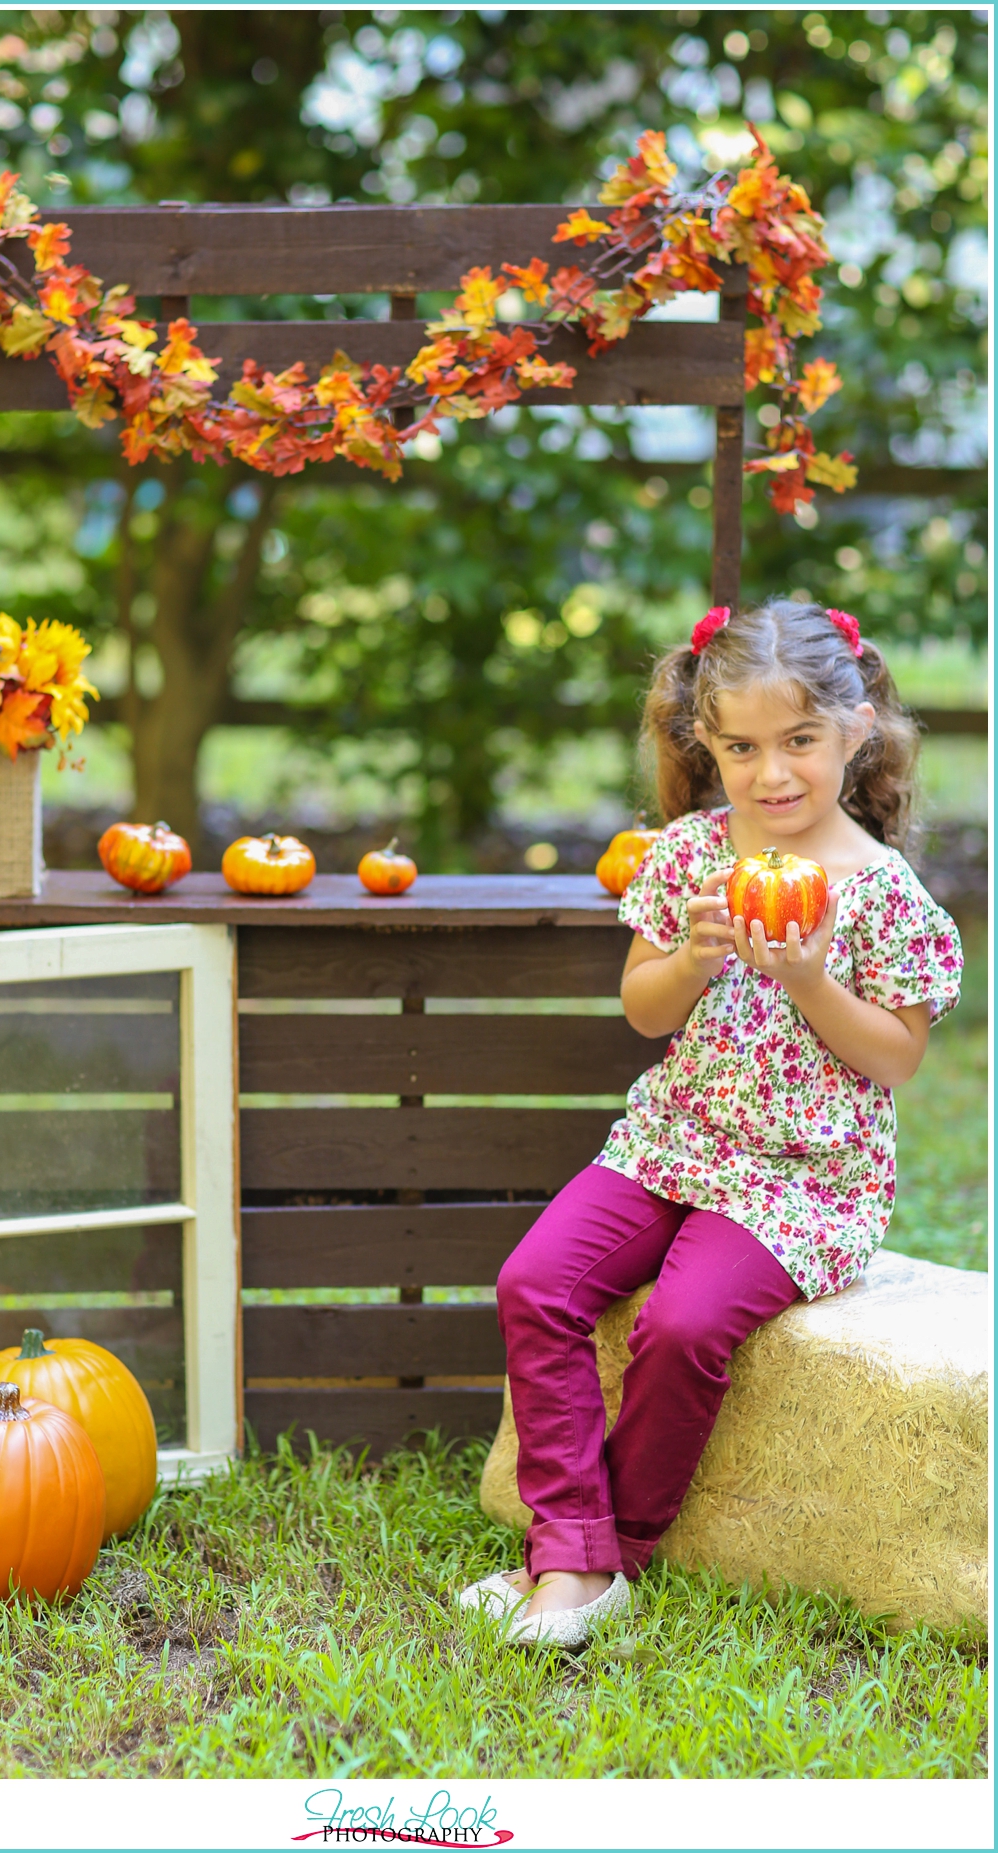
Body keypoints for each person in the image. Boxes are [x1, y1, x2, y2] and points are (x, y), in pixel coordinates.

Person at [461, 598, 964, 1648]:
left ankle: (612, 1551)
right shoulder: (689, 853)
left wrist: (813, 979)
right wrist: (691, 958)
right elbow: (644, 1010)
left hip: (805, 1177)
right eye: (741, 747)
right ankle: (572, 1545)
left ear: (856, 727)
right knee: (535, 1282)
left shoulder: (883, 894)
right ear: (706, 741)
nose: (771, 773)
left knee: (682, 1325)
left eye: (799, 743)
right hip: (672, 1142)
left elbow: (897, 1056)